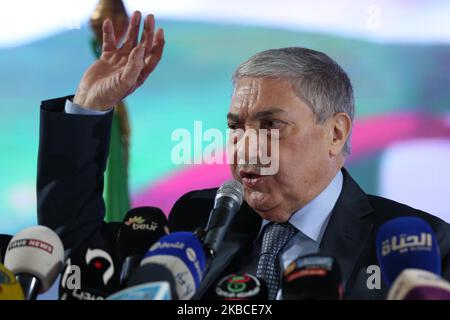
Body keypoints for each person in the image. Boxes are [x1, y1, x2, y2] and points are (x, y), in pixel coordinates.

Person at [37, 11, 450, 299]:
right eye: (236, 127)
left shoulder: (419, 245)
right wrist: (88, 108)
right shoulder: (196, 220)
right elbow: (78, 256)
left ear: (336, 133)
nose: (245, 146)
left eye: (271, 125)